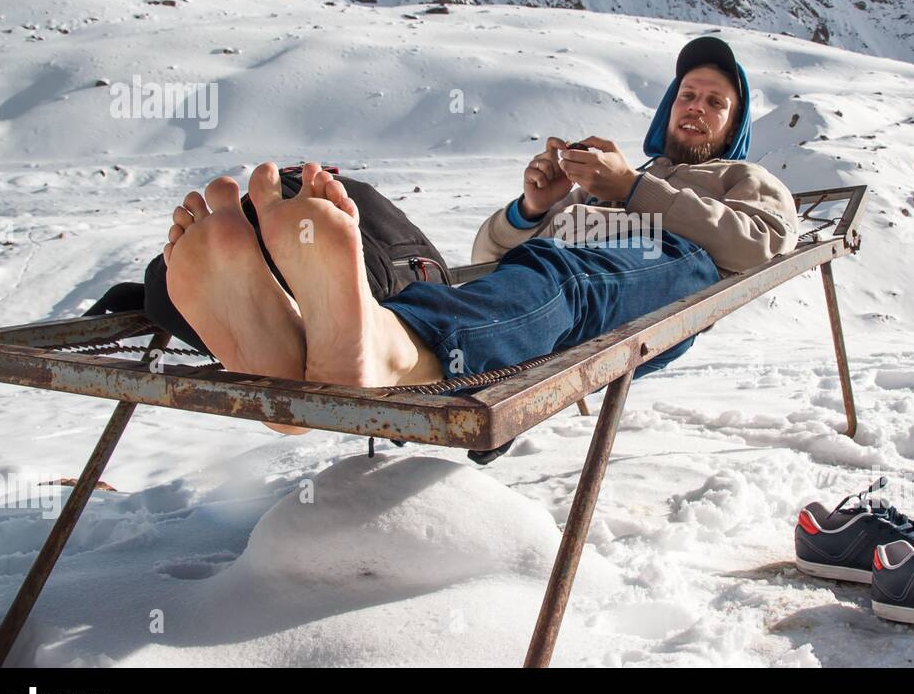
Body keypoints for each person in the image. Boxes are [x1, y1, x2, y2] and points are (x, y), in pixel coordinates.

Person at [157, 37, 799, 433]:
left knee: (565, 277)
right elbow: (488, 261)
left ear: (733, 126)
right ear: (669, 109)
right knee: (540, 269)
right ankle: (318, 350)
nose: (697, 107)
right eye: (689, 94)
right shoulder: (624, 180)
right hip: (560, 281)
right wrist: (534, 206)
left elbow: (758, 246)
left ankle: (390, 347)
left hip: (676, 281)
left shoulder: (742, 176)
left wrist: (632, 189)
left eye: (716, 103)